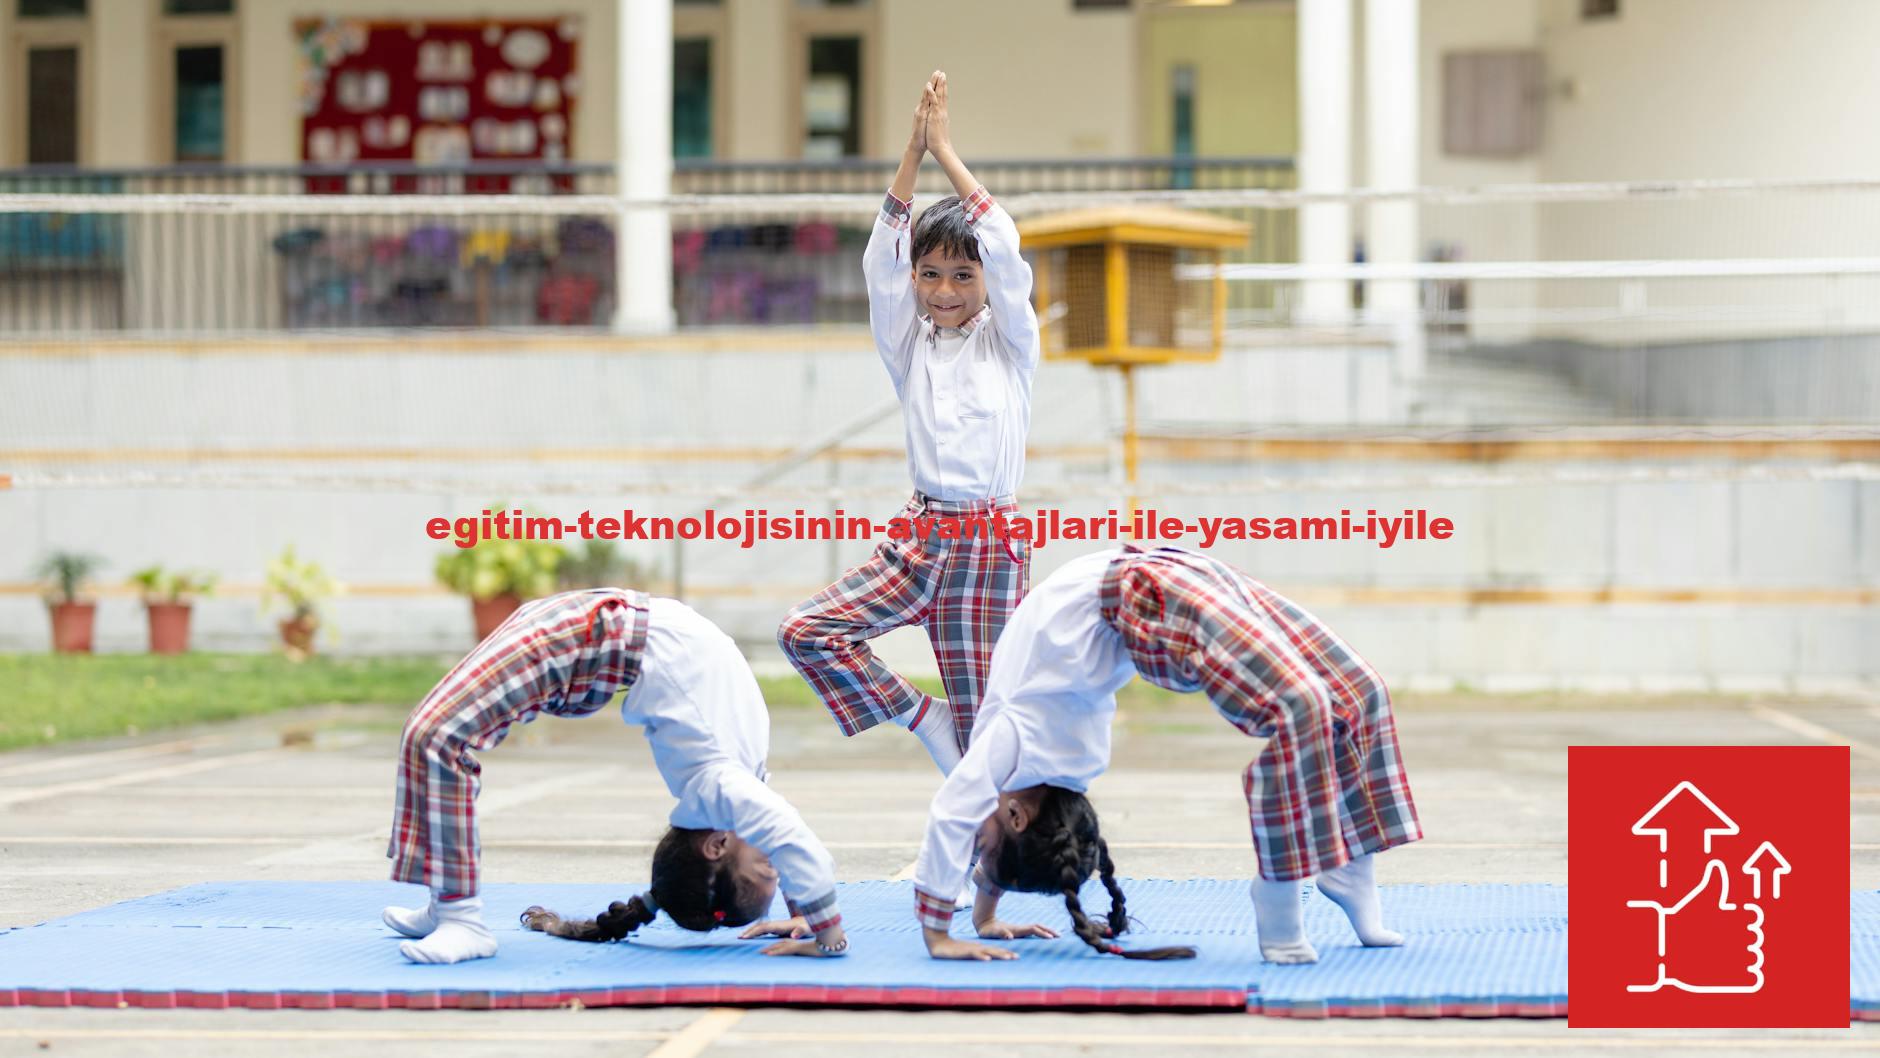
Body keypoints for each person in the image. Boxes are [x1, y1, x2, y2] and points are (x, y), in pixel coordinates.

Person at [911, 546, 1422, 963]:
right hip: (1148, 598)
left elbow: (966, 822)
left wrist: (944, 932)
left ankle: (1350, 867)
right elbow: (987, 837)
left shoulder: (1013, 745)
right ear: (1019, 816)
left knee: (1360, 691)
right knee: (1300, 706)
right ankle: (1280, 886)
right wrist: (981, 917)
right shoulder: (1036, 758)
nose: (973, 843)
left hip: (1156, 579)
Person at [778, 71, 1039, 776]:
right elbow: (879, 265)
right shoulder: (907, 343)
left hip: (989, 547)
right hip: (918, 539)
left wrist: (947, 152)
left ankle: (979, 872)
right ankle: (922, 716)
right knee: (807, 632)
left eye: (962, 275)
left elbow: (1008, 255)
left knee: (986, 741)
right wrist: (910, 156)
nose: (944, 290)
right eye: (930, 275)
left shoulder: (1010, 343)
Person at [384, 588, 847, 963]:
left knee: (438, 738)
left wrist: (806, 909)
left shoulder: (720, 788)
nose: (776, 862)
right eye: (774, 869)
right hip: (601, 634)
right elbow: (794, 840)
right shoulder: (729, 785)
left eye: (767, 867)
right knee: (437, 737)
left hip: (592, 639)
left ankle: (455, 911)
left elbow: (787, 841)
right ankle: (454, 911)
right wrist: (823, 930)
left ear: (717, 845)